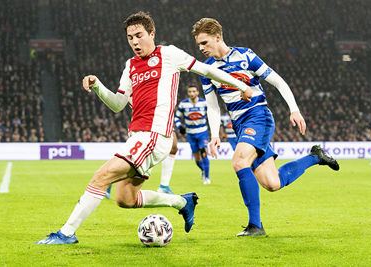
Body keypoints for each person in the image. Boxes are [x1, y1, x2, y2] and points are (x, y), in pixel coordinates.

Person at [36, 12, 253, 245]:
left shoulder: (168, 54)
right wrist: (98, 85)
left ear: (152, 34)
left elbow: (207, 70)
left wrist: (240, 84)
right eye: (130, 38)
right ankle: (182, 202)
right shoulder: (130, 66)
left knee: (101, 177)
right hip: (138, 137)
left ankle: (66, 233)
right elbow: (118, 104)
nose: (134, 42)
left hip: (154, 135)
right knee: (124, 198)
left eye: (139, 35)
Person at [191, 18, 340, 236]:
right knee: (272, 183)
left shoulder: (246, 56)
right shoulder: (207, 70)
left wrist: (294, 109)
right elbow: (213, 107)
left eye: (204, 42)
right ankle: (316, 157)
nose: (201, 48)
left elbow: (278, 81)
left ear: (217, 37)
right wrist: (214, 134)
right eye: (199, 45)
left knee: (239, 161)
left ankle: (255, 225)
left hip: (258, 116)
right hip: (240, 125)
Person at [175, 85, 211, 184]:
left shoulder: (204, 103)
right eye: (190, 92)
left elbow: (211, 114)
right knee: (197, 158)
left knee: (204, 153)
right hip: (190, 134)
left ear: (197, 92)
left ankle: (207, 178)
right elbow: (176, 117)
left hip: (202, 132)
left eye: (193, 91)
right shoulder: (183, 104)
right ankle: (203, 170)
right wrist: (180, 127)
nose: (192, 93)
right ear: (188, 93)